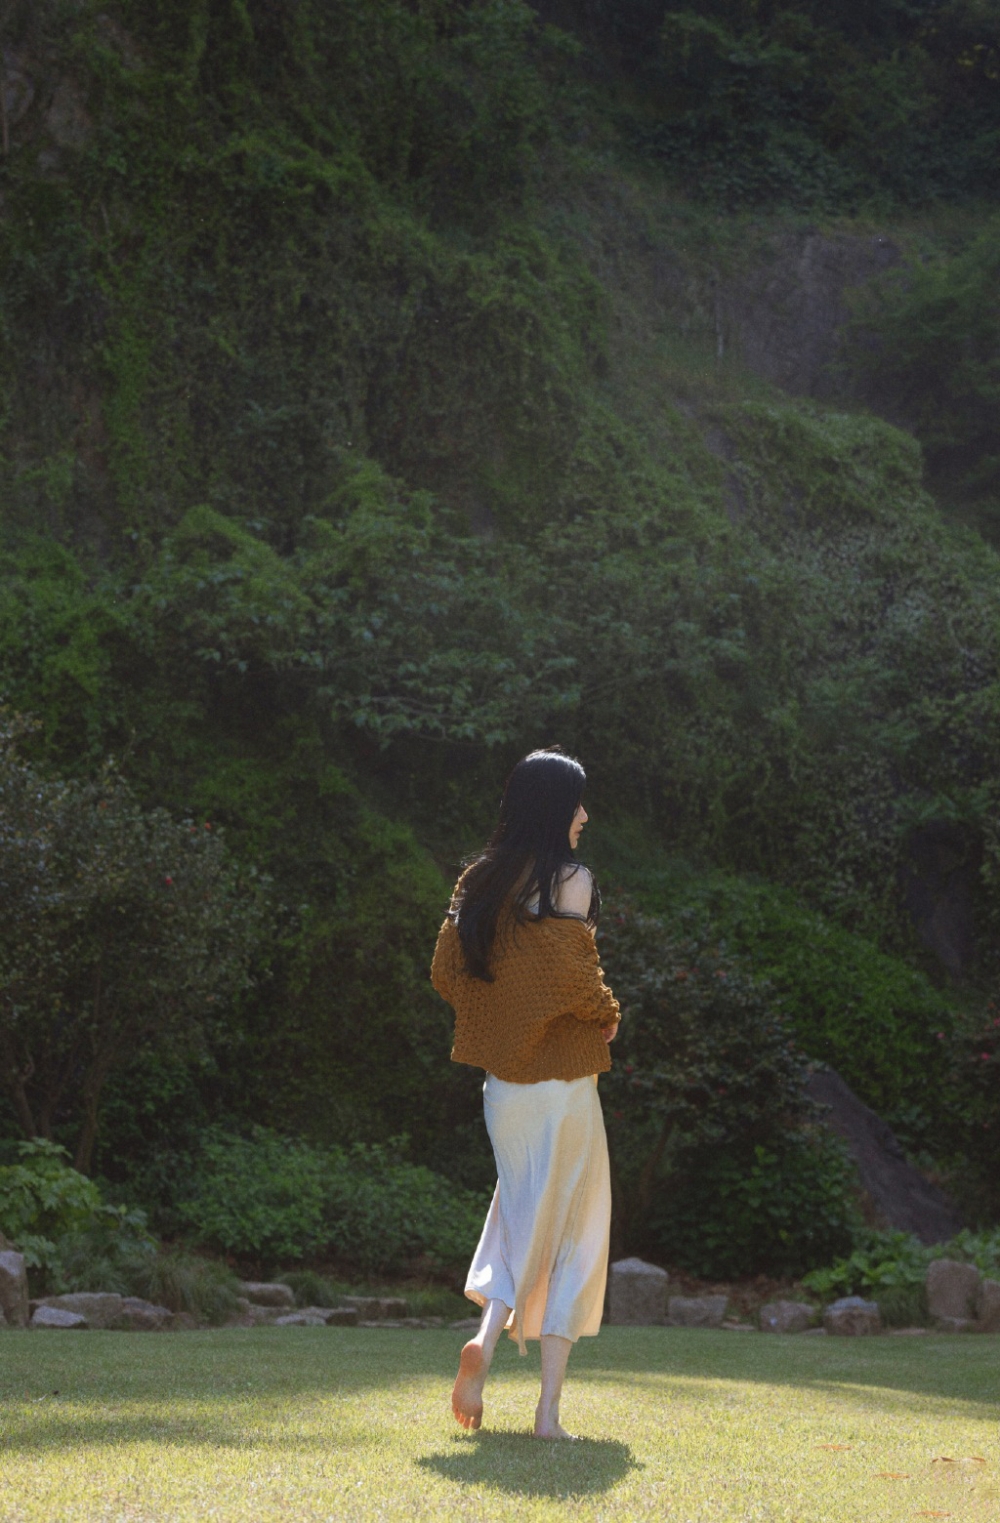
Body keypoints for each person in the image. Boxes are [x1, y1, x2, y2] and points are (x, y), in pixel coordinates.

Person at [430, 747, 619, 1441]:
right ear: (552, 806)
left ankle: (485, 1332)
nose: (584, 816)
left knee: (519, 1211)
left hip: (504, 1086)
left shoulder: (479, 879)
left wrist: (506, 1014)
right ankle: (547, 1412)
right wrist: (607, 1011)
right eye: (576, 803)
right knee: (573, 1225)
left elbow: (448, 971)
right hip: (565, 1081)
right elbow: (574, 978)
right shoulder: (571, 880)